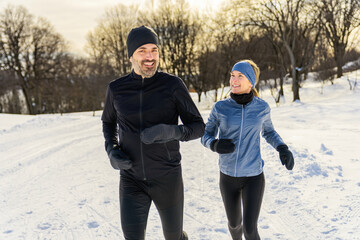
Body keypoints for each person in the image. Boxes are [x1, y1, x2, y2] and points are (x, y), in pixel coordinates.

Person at [101, 25, 205, 240]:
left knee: (174, 237)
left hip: (167, 178)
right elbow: (108, 123)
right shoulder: (116, 89)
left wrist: (169, 131)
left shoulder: (173, 85)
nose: (150, 57)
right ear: (131, 56)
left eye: (154, 50)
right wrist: (111, 150)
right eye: (142, 51)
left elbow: (198, 127)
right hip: (131, 179)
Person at [201, 60, 294, 240]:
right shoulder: (220, 108)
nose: (234, 80)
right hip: (228, 177)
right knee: (235, 225)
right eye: (232, 76)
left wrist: (282, 148)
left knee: (250, 230)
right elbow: (205, 135)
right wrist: (214, 144)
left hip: (253, 176)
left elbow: (269, 132)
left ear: (251, 82)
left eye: (240, 76)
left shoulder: (261, 108)